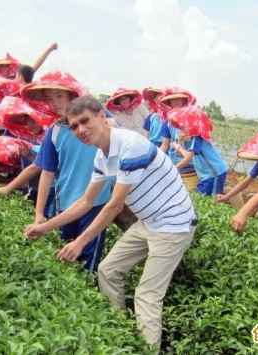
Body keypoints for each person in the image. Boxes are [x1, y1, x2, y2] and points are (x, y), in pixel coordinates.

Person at [25, 95, 196, 349]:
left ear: (102, 116)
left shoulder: (130, 146)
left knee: (147, 295)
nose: (81, 130)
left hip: (173, 227)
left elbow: (114, 205)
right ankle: (121, 332)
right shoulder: (102, 158)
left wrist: (80, 242)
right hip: (149, 222)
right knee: (108, 270)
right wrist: (44, 226)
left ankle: (148, 349)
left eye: (85, 121)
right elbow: (85, 202)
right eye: (74, 127)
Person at [21, 70, 112, 273]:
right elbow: (46, 172)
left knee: (89, 259)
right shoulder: (54, 132)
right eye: (49, 99)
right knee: (67, 255)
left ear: (72, 95)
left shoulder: (96, 122)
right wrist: (39, 213)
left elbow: (112, 126)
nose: (55, 103)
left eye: (59, 96)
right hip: (66, 204)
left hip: (96, 202)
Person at [167, 105, 228, 195]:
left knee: (209, 200)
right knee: (200, 195)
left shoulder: (197, 137)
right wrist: (180, 144)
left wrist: (172, 170)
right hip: (207, 175)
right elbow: (189, 155)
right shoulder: (194, 137)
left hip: (214, 174)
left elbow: (187, 160)